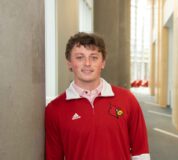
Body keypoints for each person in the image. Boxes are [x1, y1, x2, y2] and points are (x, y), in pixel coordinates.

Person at [45, 32, 150, 160]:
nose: (87, 63)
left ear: (103, 63)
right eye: (80, 57)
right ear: (69, 63)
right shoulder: (55, 109)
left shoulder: (127, 100)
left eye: (94, 57)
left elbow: (141, 153)